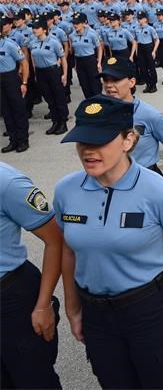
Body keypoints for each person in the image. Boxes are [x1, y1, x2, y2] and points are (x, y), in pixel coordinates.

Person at [55, 95, 163, 388]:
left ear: (128, 140)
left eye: (99, 142)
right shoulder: (66, 191)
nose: (88, 151)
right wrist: (73, 308)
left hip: (149, 310)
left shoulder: (160, 192)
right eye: (82, 142)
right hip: (96, 312)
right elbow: (69, 251)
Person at [1, 163, 63, 388]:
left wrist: (43, 304)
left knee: (34, 380)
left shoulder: (7, 183)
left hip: (10, 301)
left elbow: (56, 239)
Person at [100, 56, 163, 180]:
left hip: (146, 179)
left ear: (131, 82)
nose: (109, 85)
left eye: (116, 80)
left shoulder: (150, 115)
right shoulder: (101, 114)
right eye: (106, 80)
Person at [29, 17, 68, 135]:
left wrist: (64, 74)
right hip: (41, 73)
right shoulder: (32, 42)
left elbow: (62, 58)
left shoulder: (53, 42)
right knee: (49, 98)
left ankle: (63, 123)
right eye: (33, 28)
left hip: (52, 71)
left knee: (58, 97)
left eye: (37, 28)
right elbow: (33, 58)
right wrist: (36, 73)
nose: (34, 30)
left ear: (44, 29)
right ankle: (55, 121)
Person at [0, 16, 30, 153]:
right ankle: (13, 140)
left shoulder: (9, 45)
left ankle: (23, 140)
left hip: (11, 78)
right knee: (6, 111)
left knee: (17, 110)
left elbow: (24, 63)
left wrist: (24, 82)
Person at [69, 12, 103, 99]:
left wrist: (99, 62)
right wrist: (75, 64)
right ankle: (89, 101)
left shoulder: (92, 34)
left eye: (77, 23)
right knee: (84, 83)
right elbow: (73, 50)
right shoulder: (72, 35)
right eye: (74, 23)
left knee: (94, 82)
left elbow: (99, 48)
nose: (75, 25)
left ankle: (98, 101)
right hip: (79, 60)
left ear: (84, 23)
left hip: (90, 59)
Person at [133, 12, 160, 94]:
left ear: (145, 19)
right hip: (141, 48)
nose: (139, 20)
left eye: (141, 18)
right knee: (143, 68)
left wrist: (154, 51)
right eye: (138, 18)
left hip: (148, 47)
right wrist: (137, 51)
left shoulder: (150, 29)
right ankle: (148, 84)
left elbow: (157, 40)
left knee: (151, 67)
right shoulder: (136, 29)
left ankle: (153, 85)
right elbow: (136, 40)